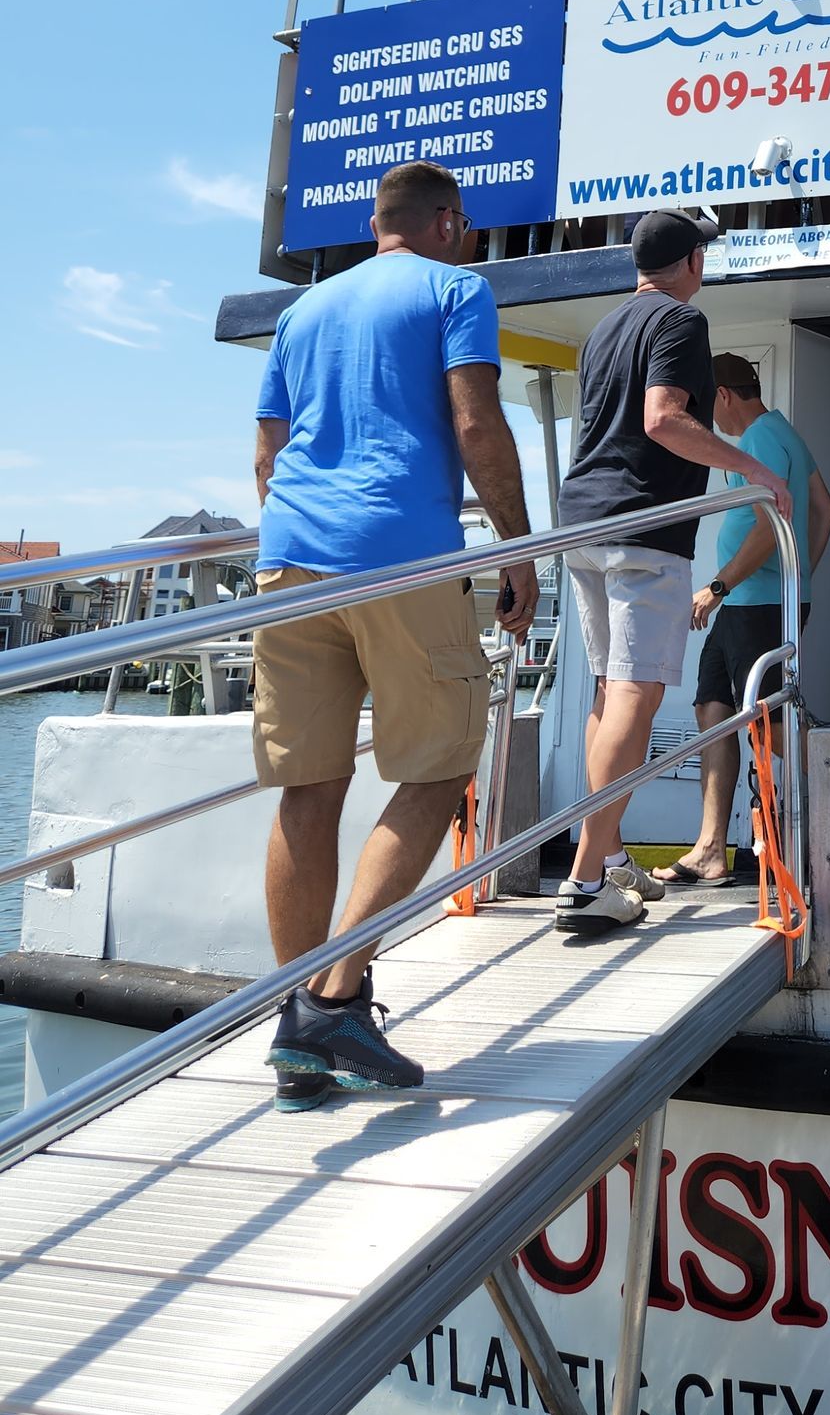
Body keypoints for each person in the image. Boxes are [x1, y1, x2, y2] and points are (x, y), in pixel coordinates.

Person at [252, 161, 538, 1106]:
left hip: (289, 558)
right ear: (448, 222)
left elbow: (268, 452)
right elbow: (475, 420)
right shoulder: (457, 287)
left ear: (377, 223)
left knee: (309, 787)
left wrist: (307, 529)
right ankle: (335, 1000)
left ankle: (301, 1032)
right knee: (440, 765)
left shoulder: (303, 310)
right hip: (400, 553)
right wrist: (517, 549)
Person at [554, 215, 792, 931]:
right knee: (638, 688)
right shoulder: (682, 321)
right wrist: (752, 468)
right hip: (644, 529)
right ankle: (587, 875)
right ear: (693, 261)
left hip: (584, 521)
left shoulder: (604, 327)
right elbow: (664, 419)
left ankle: (608, 853)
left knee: (606, 688)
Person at [667, 357, 830, 887]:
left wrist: (717, 588)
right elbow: (825, 509)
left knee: (773, 727)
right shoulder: (784, 430)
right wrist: (800, 576)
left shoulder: (761, 438)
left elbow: (769, 526)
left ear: (722, 396)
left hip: (751, 603)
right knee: (713, 710)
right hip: (757, 603)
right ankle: (710, 848)